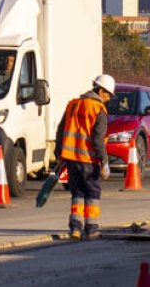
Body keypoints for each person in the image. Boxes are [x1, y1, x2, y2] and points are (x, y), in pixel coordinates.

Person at [55, 74, 115, 240]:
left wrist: (59, 155)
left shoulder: (73, 105)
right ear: (100, 90)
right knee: (92, 194)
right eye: (108, 94)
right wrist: (104, 161)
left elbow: (61, 131)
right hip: (89, 161)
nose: (108, 98)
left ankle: (75, 228)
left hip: (71, 160)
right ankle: (92, 228)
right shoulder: (98, 110)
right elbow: (97, 139)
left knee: (77, 194)